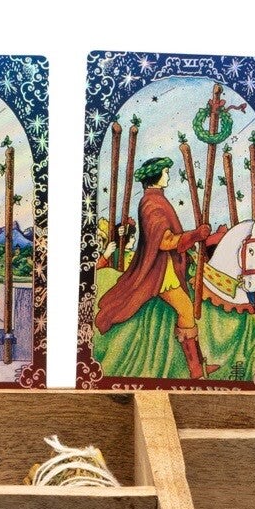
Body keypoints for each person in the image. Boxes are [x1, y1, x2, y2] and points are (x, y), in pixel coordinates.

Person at [94, 156, 218, 379]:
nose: (168, 176)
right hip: (159, 270)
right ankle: (195, 370)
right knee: (186, 310)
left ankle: (198, 366)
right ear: (156, 176)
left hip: (167, 266)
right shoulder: (151, 203)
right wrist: (194, 235)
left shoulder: (157, 199)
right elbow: (164, 241)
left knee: (187, 308)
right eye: (165, 172)